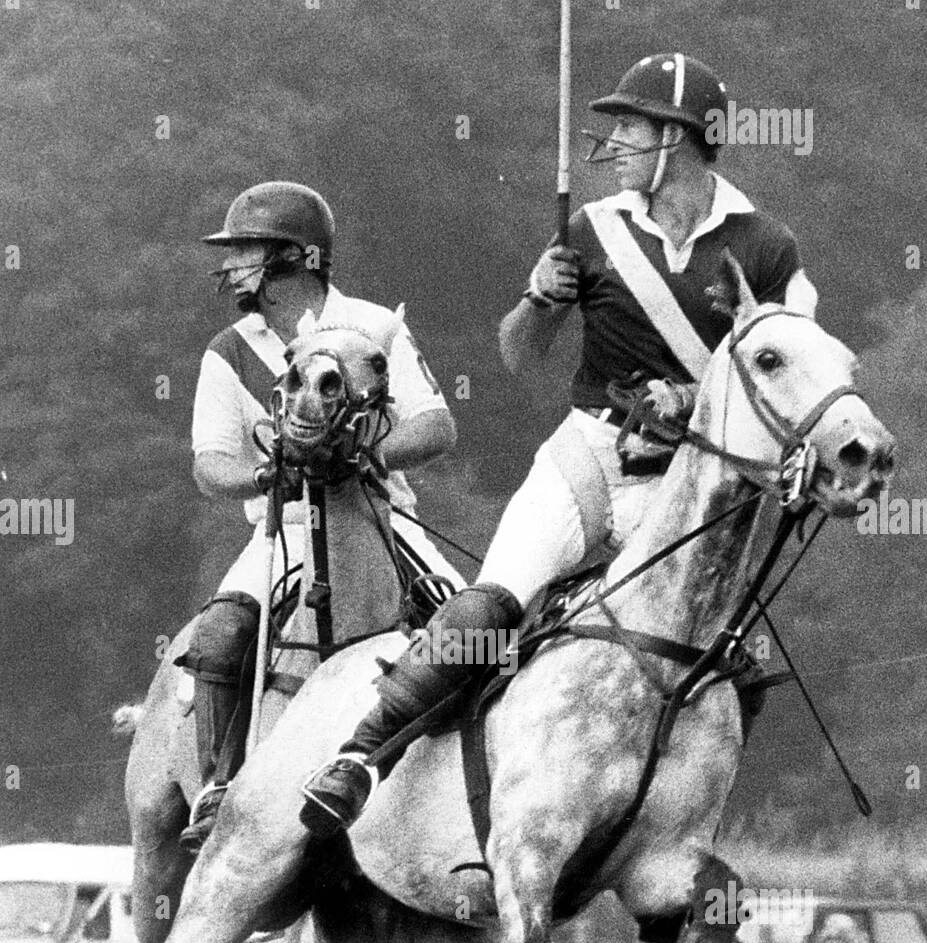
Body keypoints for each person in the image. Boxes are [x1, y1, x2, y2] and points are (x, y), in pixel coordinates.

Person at [299, 53, 818, 838]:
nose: (613, 142)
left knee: (727, 665)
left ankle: (669, 838)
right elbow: (518, 354)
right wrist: (541, 298)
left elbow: (802, 369)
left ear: (675, 138)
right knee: (494, 601)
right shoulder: (591, 229)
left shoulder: (766, 245)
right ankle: (360, 758)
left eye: (630, 128)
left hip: (687, 486)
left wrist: (698, 392)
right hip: (588, 455)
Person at [179, 181, 459, 850]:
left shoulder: (373, 327)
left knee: (469, 631)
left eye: (246, 252)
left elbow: (435, 425)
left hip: (380, 520)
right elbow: (209, 464)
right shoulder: (228, 350)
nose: (230, 268)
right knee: (219, 635)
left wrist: (366, 458)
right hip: (284, 531)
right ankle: (220, 788)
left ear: (297, 258)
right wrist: (262, 473)